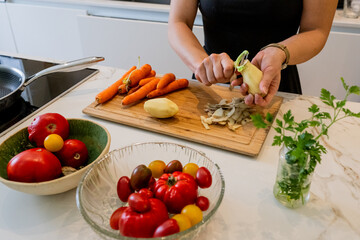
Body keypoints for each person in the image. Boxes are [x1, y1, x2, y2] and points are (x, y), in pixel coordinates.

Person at [168, 0, 338, 106]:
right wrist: (202, 65)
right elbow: (178, 21)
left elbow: (317, 30)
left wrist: (280, 52)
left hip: (273, 86)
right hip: (211, 86)